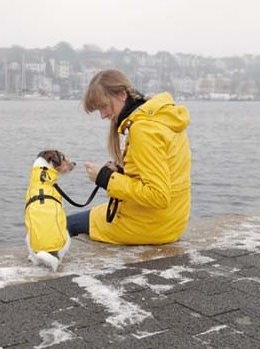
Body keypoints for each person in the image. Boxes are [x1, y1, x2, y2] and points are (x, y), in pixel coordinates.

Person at [67, 69, 191, 245]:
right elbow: (158, 173)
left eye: (103, 106)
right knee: (83, 217)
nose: (102, 115)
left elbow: (158, 195)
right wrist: (120, 171)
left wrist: (106, 178)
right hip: (171, 220)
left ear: (122, 94)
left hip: (150, 225)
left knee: (65, 224)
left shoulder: (143, 130)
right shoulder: (158, 119)